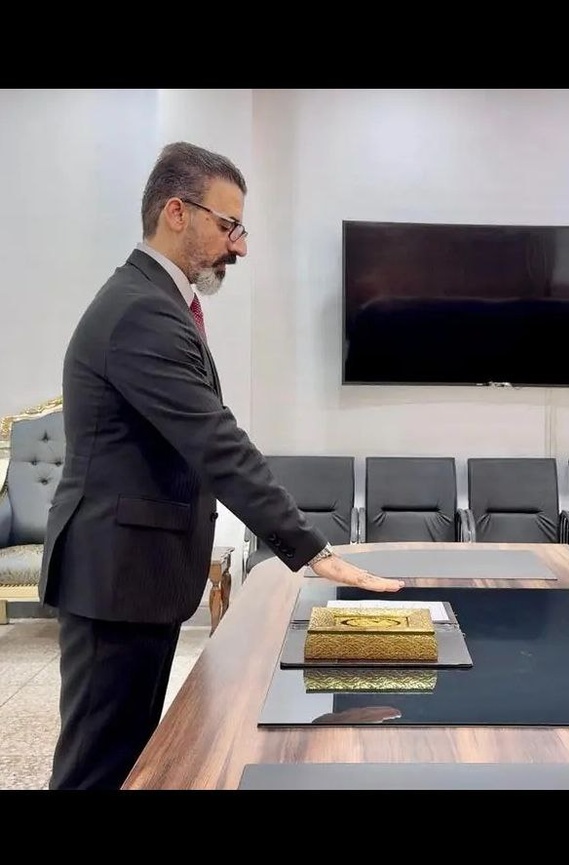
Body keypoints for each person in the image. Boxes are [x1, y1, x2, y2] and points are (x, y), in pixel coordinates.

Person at [38, 141, 404, 791]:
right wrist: (312, 550)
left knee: (131, 759)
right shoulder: (141, 310)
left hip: (135, 575)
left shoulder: (154, 300)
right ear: (177, 212)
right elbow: (216, 443)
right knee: (97, 766)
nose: (239, 246)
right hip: (115, 577)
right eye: (229, 225)